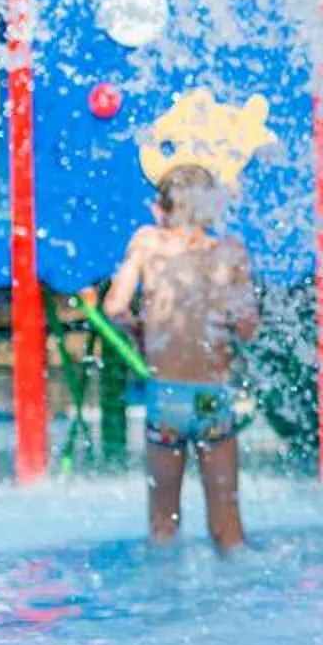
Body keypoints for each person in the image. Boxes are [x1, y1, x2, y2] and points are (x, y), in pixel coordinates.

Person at [100, 164, 260, 551]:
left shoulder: (147, 244)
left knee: (162, 522)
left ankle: (161, 604)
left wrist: (139, 331)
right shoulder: (229, 253)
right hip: (212, 398)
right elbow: (247, 327)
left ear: (160, 210)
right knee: (227, 523)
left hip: (165, 399)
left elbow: (115, 307)